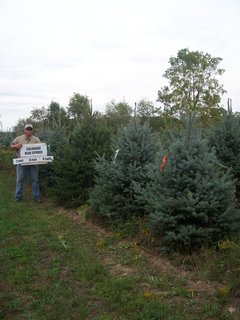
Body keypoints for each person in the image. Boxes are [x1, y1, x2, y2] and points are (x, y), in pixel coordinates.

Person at [10, 124, 42, 202]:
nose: (29, 130)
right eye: (27, 129)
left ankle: (36, 197)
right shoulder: (19, 138)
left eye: (30, 129)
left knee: (35, 180)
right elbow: (11, 145)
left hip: (33, 164)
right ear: (24, 130)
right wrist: (16, 146)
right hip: (21, 163)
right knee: (20, 180)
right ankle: (18, 197)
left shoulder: (36, 139)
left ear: (32, 130)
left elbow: (41, 148)